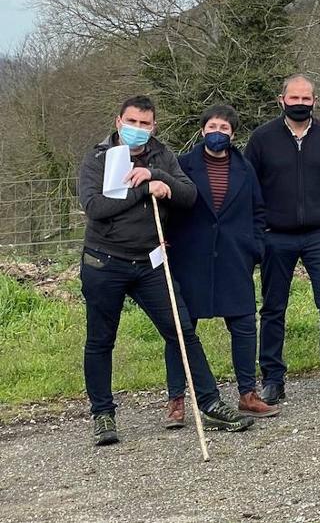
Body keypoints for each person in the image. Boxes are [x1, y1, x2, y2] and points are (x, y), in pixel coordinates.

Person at [78, 96, 253, 446]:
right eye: (132, 122)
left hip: (150, 262)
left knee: (182, 332)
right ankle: (103, 414)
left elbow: (188, 195)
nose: (138, 130)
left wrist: (158, 177)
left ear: (153, 127)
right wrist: (146, 190)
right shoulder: (97, 158)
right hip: (104, 261)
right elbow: (95, 207)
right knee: (101, 339)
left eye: (145, 124)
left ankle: (210, 403)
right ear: (118, 121)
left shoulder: (163, 155)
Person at [245, 74, 320, 402]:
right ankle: (273, 379)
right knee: (272, 308)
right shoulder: (261, 138)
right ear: (281, 100)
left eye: (306, 99)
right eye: (294, 98)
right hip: (276, 236)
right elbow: (248, 186)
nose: (300, 104)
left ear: (314, 101)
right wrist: (261, 225)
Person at [164, 104, 279, 427]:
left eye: (224, 129)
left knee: (244, 325)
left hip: (234, 257)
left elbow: (259, 211)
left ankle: (248, 394)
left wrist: (255, 248)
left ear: (233, 134)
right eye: (212, 127)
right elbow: (171, 209)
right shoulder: (183, 165)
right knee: (181, 331)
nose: (218, 133)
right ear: (202, 130)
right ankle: (176, 400)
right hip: (191, 258)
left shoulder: (246, 169)